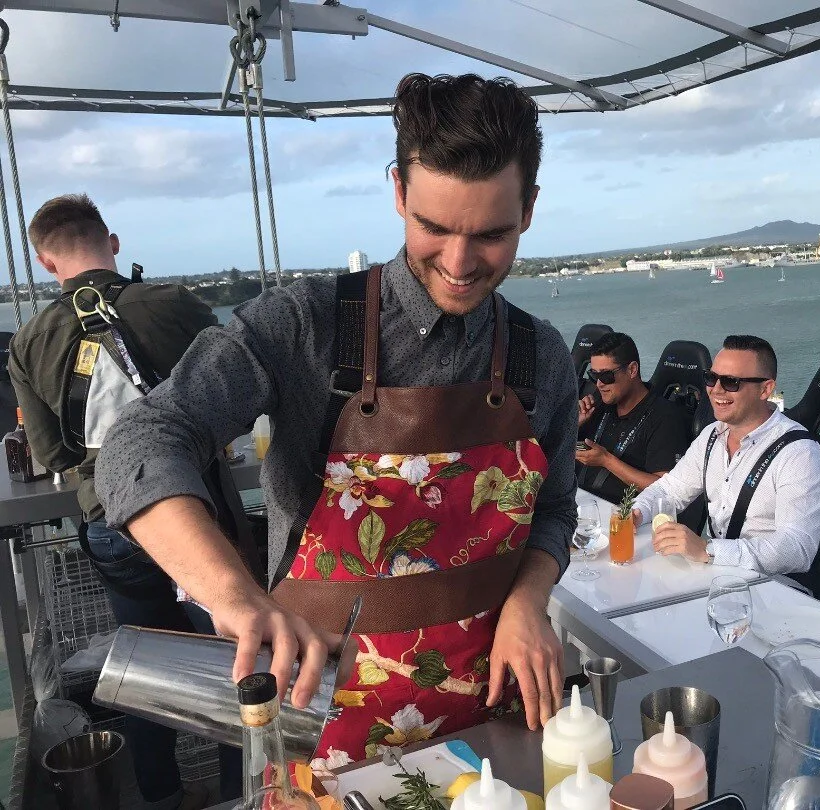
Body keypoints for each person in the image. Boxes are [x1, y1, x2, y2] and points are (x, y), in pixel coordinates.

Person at [96, 73, 579, 763]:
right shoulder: (304, 325)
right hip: (318, 725)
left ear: (529, 208)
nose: (460, 262)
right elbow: (141, 442)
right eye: (433, 227)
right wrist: (236, 599)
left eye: (492, 235)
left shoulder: (543, 357)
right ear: (398, 193)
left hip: (489, 727)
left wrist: (529, 600)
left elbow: (554, 510)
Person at [7, 194, 218, 810]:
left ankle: (161, 792)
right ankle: (248, 785)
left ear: (48, 263)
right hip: (193, 512)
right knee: (234, 652)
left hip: (115, 522)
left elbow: (50, 453)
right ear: (113, 242)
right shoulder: (178, 307)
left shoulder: (30, 341)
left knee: (143, 661)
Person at [632, 334, 820, 575]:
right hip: (719, 575)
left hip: (772, 589)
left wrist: (708, 550)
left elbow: (798, 548)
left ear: (765, 389)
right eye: (711, 378)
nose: (716, 390)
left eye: (731, 382)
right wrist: (635, 513)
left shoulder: (799, 454)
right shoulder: (711, 435)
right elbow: (669, 490)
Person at [575, 332, 692, 503]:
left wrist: (607, 461)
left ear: (632, 370)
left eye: (606, 376)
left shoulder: (665, 417)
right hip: (580, 501)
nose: (599, 383)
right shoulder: (599, 402)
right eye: (594, 375)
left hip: (624, 516)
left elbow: (665, 487)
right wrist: (574, 426)